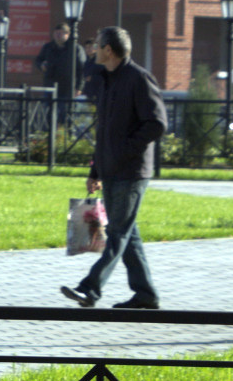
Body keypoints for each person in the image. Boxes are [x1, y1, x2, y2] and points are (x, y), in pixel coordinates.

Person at [61, 26, 167, 309]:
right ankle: (146, 295)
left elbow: (157, 124)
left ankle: (90, 289)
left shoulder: (138, 78)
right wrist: (95, 170)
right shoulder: (106, 79)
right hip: (111, 170)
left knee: (118, 232)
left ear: (109, 50)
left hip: (131, 172)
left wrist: (125, 150)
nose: (93, 49)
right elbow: (105, 131)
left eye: (97, 45)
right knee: (128, 235)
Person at [34, 23, 85, 122]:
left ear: (68, 34)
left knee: (65, 115)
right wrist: (41, 65)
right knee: (49, 114)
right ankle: (49, 131)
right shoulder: (48, 47)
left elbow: (82, 69)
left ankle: (64, 130)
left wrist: (79, 87)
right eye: (56, 33)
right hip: (50, 85)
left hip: (68, 88)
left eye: (61, 33)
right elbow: (38, 60)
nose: (58, 35)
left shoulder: (75, 49)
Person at [81, 38, 106, 105]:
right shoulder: (86, 61)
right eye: (86, 47)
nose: (88, 49)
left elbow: (105, 77)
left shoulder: (100, 61)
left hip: (98, 92)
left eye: (90, 47)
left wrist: (92, 78)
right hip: (88, 92)